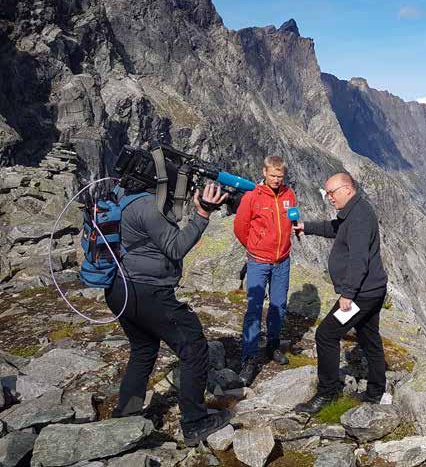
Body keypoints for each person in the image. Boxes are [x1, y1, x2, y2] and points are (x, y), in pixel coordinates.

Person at [106, 182, 230, 447]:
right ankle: (195, 423)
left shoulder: (122, 195)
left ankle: (126, 415)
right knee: (194, 347)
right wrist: (203, 214)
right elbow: (175, 248)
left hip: (118, 288)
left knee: (143, 349)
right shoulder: (148, 207)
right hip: (146, 291)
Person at [292, 172, 388, 413]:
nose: (329, 198)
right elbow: (336, 228)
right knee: (369, 338)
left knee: (326, 335)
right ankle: (376, 391)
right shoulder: (354, 212)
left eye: (331, 193)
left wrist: (348, 294)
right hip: (371, 290)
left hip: (361, 295)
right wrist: (308, 227)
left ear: (347, 189)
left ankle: (327, 394)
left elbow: (359, 260)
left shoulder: (358, 218)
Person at [233, 156, 297, 385]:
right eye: (273, 176)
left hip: (282, 261)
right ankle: (249, 358)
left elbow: (292, 216)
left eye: (280, 176)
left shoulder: (289, 195)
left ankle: (272, 345)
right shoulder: (252, 198)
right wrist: (254, 246)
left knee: (279, 305)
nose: (277, 180)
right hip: (259, 261)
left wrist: (295, 228)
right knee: (254, 308)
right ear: (264, 172)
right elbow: (240, 227)